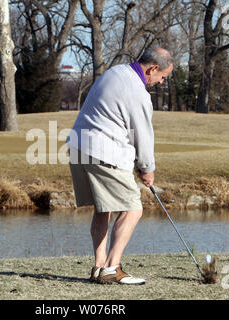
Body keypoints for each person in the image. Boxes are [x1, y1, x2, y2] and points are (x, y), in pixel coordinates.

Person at [66, 47, 174, 285]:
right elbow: (143, 135)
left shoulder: (115, 72)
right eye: (162, 76)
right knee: (132, 209)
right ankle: (112, 268)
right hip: (104, 152)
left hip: (78, 148)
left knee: (103, 208)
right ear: (152, 68)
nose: (161, 81)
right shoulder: (138, 92)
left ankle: (99, 266)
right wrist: (147, 168)